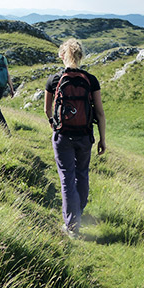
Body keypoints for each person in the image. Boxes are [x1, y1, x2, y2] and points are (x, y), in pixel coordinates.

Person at [44, 38, 106, 239]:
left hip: (63, 135)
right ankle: (77, 214)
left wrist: (55, 125)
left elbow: (47, 110)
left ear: (63, 55)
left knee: (66, 177)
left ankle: (72, 225)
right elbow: (100, 114)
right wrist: (102, 139)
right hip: (85, 136)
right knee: (82, 174)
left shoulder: (54, 80)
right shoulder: (91, 80)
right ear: (80, 56)